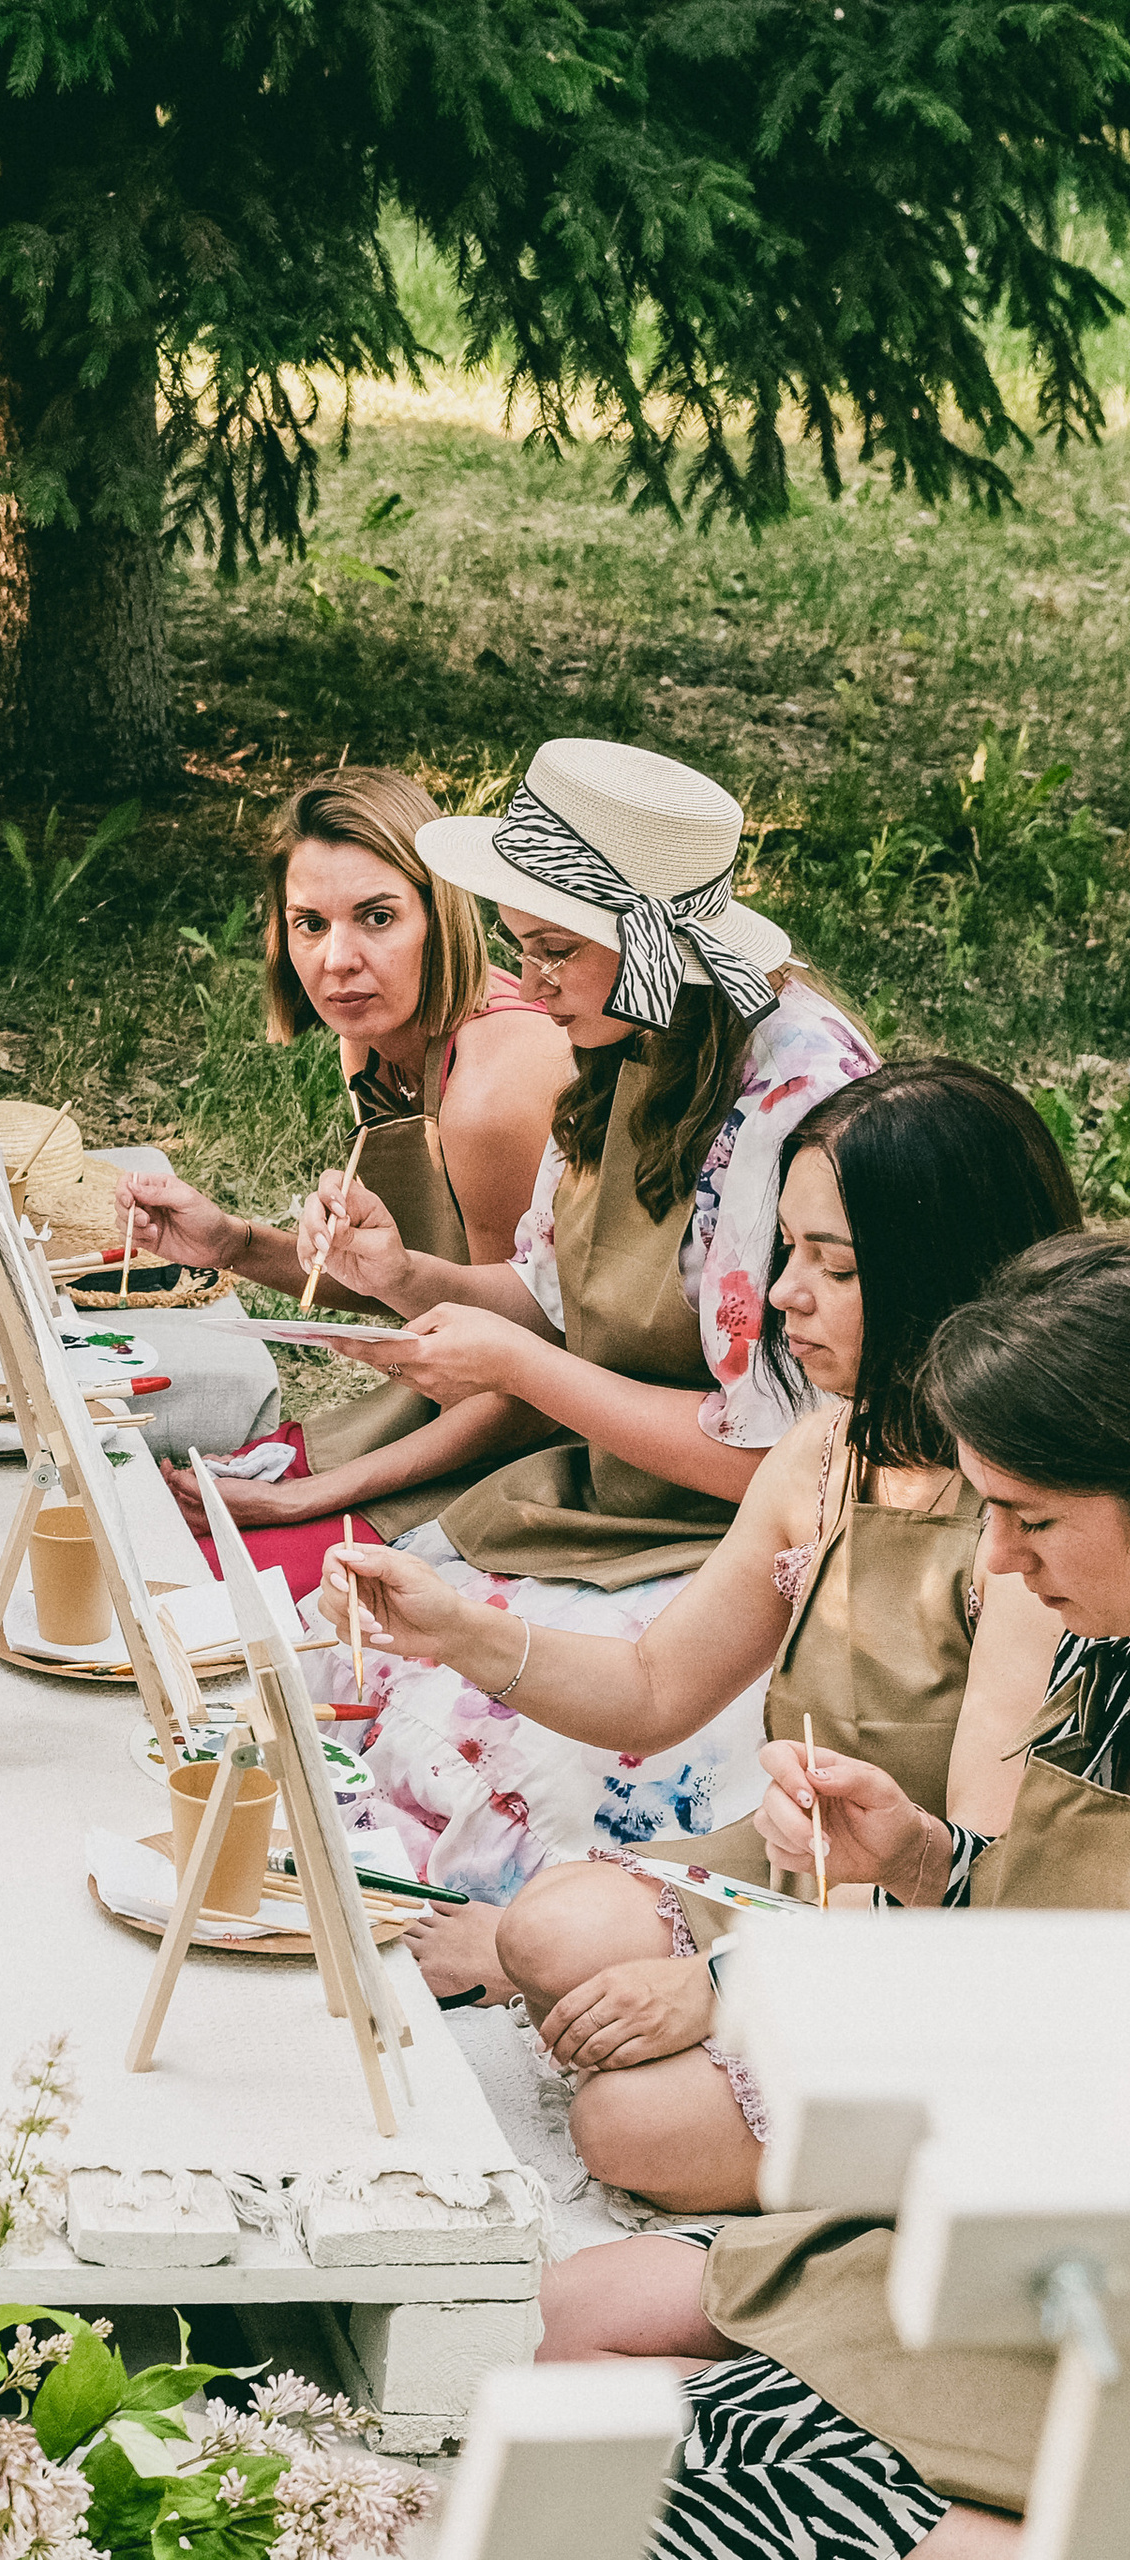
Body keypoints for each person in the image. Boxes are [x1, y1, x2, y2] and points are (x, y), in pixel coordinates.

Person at [318, 1061, 1078, 2190]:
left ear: (942, 1279)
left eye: (836, 1265)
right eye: (787, 1251)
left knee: (624, 2126)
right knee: (539, 1934)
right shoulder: (826, 1449)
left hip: (914, 1936)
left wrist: (724, 1988)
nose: (783, 1294)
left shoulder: (1024, 1538)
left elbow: (967, 1882)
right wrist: (454, 1633)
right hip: (791, 1879)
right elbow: (652, 1688)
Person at [540, 1227, 1130, 2560]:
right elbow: (1059, 1942)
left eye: (1032, 1519)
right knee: (583, 2310)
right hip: (1032, 2221)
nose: (995, 1564)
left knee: (628, 2468)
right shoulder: (1112, 1653)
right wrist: (920, 1857)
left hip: (1082, 2282)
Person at [287, 738, 878, 1908]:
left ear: (651, 944)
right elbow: (557, 1308)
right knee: (344, 1666)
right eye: (519, 948)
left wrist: (520, 1369)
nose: (530, 984)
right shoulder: (628, 1038)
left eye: (553, 949)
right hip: (613, 1504)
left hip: (748, 1546)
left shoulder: (786, 1105)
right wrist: (402, 1273)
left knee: (503, 1764)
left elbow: (774, 1458)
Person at [113, 767, 573, 1587]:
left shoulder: (493, 1092)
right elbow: (411, 1290)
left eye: (378, 918)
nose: (338, 961)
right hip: (443, 1415)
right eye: (309, 924)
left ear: (445, 917)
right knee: (129, 1524)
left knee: (186, 1585)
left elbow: (531, 1374)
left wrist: (307, 1500)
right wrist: (231, 1243)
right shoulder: (373, 1043)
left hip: (544, 1454)